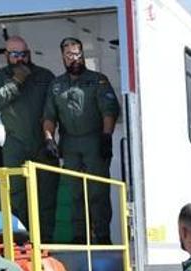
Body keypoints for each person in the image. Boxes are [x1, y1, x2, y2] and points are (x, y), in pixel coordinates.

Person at [42, 37, 120, 245]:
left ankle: (102, 237)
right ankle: (80, 237)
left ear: (82, 55)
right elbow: (49, 116)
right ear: (63, 57)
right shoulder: (56, 85)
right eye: (69, 55)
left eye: (77, 54)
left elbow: (109, 110)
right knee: (75, 192)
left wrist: (106, 137)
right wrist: (49, 139)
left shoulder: (98, 80)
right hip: (70, 144)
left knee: (97, 191)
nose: (73, 58)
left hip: (94, 140)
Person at [0, 36, 58, 231]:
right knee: (17, 196)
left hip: (43, 143)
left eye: (23, 54)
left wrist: (52, 139)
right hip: (15, 143)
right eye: (15, 54)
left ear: (29, 53)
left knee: (47, 195)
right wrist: (16, 81)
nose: (20, 59)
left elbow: (54, 109)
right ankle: (23, 244)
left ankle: (46, 245)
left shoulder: (45, 76)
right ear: (6, 55)